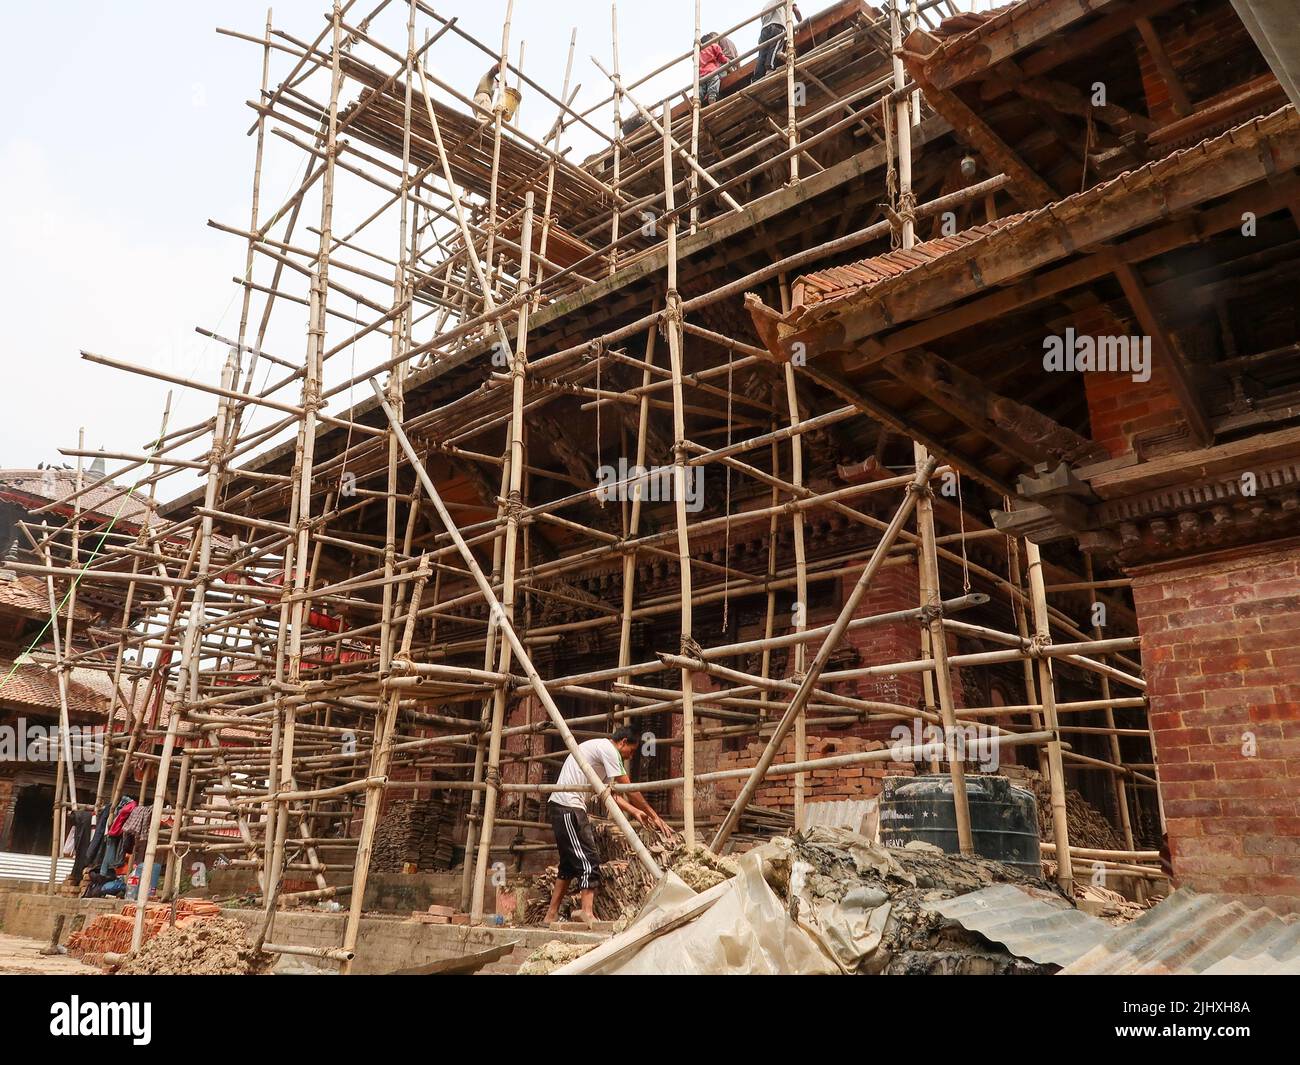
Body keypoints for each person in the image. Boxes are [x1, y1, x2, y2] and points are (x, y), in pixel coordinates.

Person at [543, 726, 670, 925]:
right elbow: (629, 789)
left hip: (566, 807)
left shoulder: (601, 753)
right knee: (589, 859)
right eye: (632, 750)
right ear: (623, 743)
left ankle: (550, 915)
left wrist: (635, 811)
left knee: (568, 865)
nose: (630, 756)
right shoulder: (609, 750)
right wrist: (654, 816)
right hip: (568, 807)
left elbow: (610, 794)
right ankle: (587, 913)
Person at [752, 0, 802, 84]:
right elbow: (796, 10)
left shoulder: (769, 3)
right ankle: (769, 68)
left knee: (762, 54)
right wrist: (801, 23)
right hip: (777, 26)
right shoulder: (785, 1)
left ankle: (756, 78)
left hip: (764, 29)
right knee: (775, 47)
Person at [698, 32, 730, 108]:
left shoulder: (698, 52)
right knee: (714, 86)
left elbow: (694, 60)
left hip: (701, 75)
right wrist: (728, 61)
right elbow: (721, 58)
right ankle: (712, 101)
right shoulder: (714, 46)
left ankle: (698, 103)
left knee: (700, 91)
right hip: (711, 72)